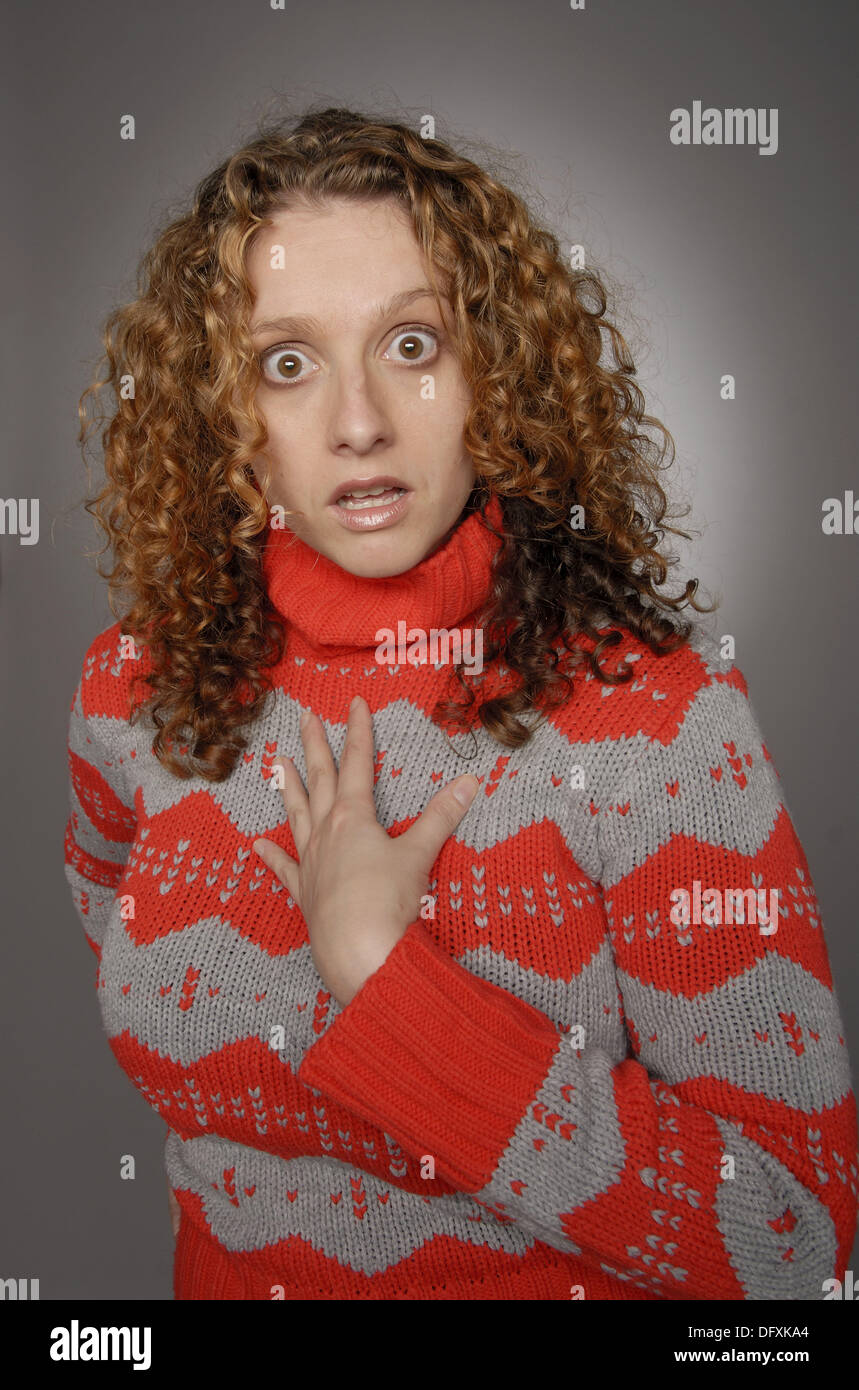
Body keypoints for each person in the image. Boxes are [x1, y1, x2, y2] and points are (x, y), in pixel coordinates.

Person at [64, 105, 858, 1300]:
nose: (359, 422)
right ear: (223, 418)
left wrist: (390, 986)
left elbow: (790, 1246)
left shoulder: (651, 718)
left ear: (498, 368)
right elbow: (114, 916)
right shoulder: (134, 684)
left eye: (414, 345)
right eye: (288, 363)